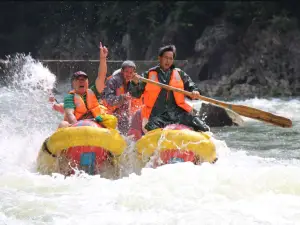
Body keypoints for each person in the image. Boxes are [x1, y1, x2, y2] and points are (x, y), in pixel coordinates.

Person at [128, 44, 209, 138]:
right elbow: (136, 94)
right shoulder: (148, 74)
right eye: (166, 58)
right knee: (150, 128)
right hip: (157, 114)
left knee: (203, 127)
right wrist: (134, 83)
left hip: (178, 113)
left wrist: (195, 91)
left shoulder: (180, 73)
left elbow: (191, 86)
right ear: (160, 58)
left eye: (171, 58)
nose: (168, 61)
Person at [58, 42, 117, 129]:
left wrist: (103, 58)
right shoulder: (70, 98)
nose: (81, 82)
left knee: (112, 119)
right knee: (63, 124)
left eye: (84, 79)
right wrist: (78, 127)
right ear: (73, 83)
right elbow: (70, 114)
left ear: (88, 82)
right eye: (78, 80)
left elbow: (101, 76)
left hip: (95, 123)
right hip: (77, 125)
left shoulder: (93, 91)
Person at [102, 60, 143, 135]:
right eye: (126, 71)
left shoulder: (132, 82)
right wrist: (122, 97)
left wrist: (136, 84)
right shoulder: (113, 81)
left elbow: (138, 95)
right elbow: (108, 99)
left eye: (131, 72)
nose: (129, 74)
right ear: (122, 71)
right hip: (110, 116)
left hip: (124, 116)